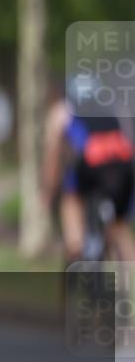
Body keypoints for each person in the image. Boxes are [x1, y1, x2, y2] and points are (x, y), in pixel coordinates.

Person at [42, 74, 135, 264]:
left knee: (71, 200)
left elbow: (52, 155)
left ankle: (75, 246)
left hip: (89, 167)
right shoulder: (114, 107)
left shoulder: (62, 110)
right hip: (122, 169)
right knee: (120, 228)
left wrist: (48, 191)